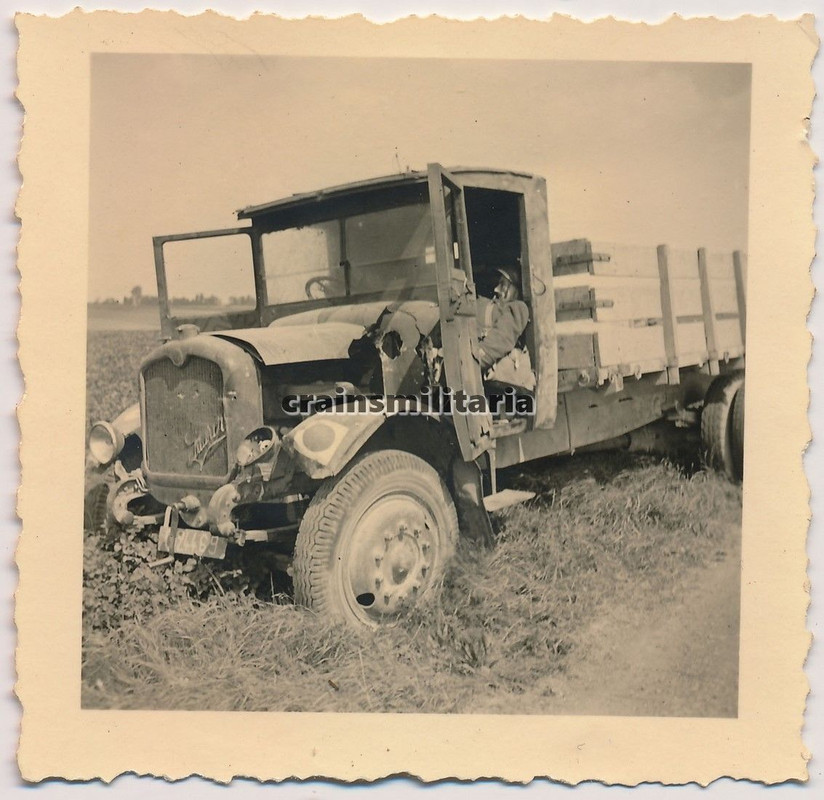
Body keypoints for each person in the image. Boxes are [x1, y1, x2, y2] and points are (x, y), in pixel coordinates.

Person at [475, 267, 530, 370]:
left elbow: (500, 340)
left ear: (516, 289)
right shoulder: (493, 304)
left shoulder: (518, 308)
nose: (496, 289)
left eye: (503, 285)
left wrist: (472, 361)